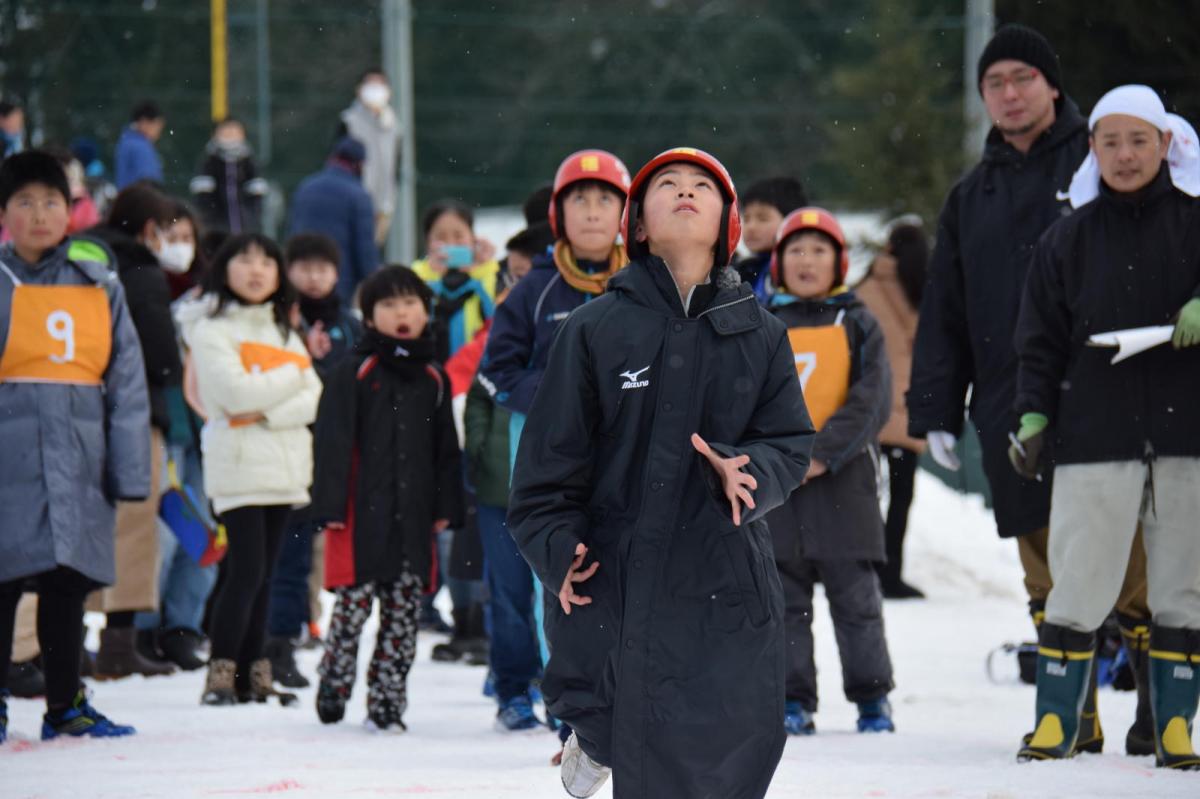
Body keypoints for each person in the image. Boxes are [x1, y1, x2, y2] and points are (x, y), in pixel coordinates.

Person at [508, 147, 814, 798]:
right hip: (613, 570)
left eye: (702, 185)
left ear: (726, 220)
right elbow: (545, 469)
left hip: (722, 571)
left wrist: (747, 471)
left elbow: (789, 441)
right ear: (639, 225)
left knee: (724, 736)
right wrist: (556, 549)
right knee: (618, 701)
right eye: (666, 184)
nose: (685, 191)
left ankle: (610, 738)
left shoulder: (761, 333)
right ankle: (598, 738)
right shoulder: (593, 329)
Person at [907, 24, 1151, 754]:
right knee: (1043, 562)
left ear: (1051, 84)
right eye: (994, 84)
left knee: (1131, 558)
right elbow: (944, 308)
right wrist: (936, 408)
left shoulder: (1103, 158)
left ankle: (1151, 707)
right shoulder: (970, 194)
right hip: (1014, 399)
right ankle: (1071, 713)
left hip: (1110, 390)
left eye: (1022, 79)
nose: (1009, 94)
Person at [1012, 85, 1200, 769]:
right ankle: (1057, 722)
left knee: (1184, 583)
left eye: (1138, 140)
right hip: (1093, 434)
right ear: (1092, 149)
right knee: (1080, 580)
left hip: (1189, 439)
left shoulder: (1196, 221)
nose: (1125, 155)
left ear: (1167, 144)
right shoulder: (1068, 237)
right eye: (1110, 142)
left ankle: (1177, 727)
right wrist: (1033, 412)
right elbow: (1039, 338)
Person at [477, 150, 630, 733]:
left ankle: (620, 696)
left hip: (623, 462)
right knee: (553, 578)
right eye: (579, 201)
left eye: (605, 200)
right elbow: (496, 370)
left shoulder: (644, 284)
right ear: (558, 214)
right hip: (546, 463)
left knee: (617, 576)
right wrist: (561, 395)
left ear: (625, 212)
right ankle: (560, 703)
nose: (593, 213)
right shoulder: (533, 290)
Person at [0, 150, 149, 741]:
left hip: (82, 456)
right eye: (25, 203)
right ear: (4, 213)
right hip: (9, 458)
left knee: (70, 584)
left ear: (71, 211)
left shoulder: (99, 284)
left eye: (52, 202)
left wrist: (129, 468)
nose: (40, 215)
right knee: (3, 584)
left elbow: (128, 382)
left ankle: (67, 704)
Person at [309, 265, 463, 730]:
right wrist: (331, 508)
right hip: (360, 518)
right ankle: (335, 681)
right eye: (390, 304)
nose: (402, 313)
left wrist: (445, 508)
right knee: (351, 612)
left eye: (411, 303)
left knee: (402, 617)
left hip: (413, 520)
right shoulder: (353, 371)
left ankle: (387, 701)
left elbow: (446, 452)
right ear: (370, 317)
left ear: (425, 311)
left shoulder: (435, 377)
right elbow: (332, 444)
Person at [762, 207, 895, 737]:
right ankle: (795, 701)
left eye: (818, 250)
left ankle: (872, 699)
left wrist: (821, 453)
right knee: (785, 604)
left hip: (845, 485)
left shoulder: (858, 320)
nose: (806, 261)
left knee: (856, 602)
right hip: (780, 489)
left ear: (838, 261)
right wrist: (784, 458)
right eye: (796, 250)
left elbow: (872, 400)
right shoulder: (763, 323)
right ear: (779, 262)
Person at [183, 233, 322, 706]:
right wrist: (291, 375)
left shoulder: (283, 329)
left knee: (264, 574)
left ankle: (253, 674)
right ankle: (220, 675)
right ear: (224, 269)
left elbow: (314, 394)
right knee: (244, 572)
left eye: (267, 260)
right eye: (244, 259)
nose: (257, 269)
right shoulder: (210, 329)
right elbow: (232, 394)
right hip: (239, 465)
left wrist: (266, 408)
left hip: (284, 465)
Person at [87, 181, 188, 679]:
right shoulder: (142, 271)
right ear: (150, 228)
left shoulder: (81, 258)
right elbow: (161, 355)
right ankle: (119, 643)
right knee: (133, 525)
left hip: (79, 405)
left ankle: (36, 644)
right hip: (134, 410)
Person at [264, 232, 364, 688]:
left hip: (332, 455)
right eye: (304, 268)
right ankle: (278, 642)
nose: (314, 277)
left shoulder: (350, 324)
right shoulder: (277, 320)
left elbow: (352, 384)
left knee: (312, 553)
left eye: (322, 268)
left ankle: (301, 628)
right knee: (287, 553)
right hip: (283, 450)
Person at [855, 223, 929, 599]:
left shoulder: (864, 290)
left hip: (869, 409)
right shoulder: (922, 290)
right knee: (900, 498)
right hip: (907, 410)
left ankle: (856, 565)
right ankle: (890, 572)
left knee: (860, 494)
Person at [288, 137, 378, 303]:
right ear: (360, 164)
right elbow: (365, 247)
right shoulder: (358, 195)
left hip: (300, 273)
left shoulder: (306, 186)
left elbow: (293, 231)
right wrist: (374, 281)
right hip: (338, 276)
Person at [339, 69, 401, 246]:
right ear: (359, 90)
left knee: (374, 247)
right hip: (355, 198)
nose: (375, 90)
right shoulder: (348, 121)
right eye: (370, 84)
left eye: (380, 84)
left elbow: (396, 162)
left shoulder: (394, 124)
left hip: (384, 200)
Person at [734, 176, 808, 303]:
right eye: (746, 219)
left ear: (791, 220)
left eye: (763, 219)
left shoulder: (800, 271)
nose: (751, 227)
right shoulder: (743, 271)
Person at [189, 117, 268, 234]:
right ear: (215, 134)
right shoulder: (208, 162)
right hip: (216, 230)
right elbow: (203, 201)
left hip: (246, 228)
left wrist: (251, 220)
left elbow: (257, 199)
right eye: (226, 131)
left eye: (235, 132)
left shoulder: (249, 162)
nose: (231, 135)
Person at [114, 101, 165, 189]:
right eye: (157, 125)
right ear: (144, 122)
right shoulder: (140, 147)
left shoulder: (125, 142)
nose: (159, 131)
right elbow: (149, 184)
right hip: (141, 200)